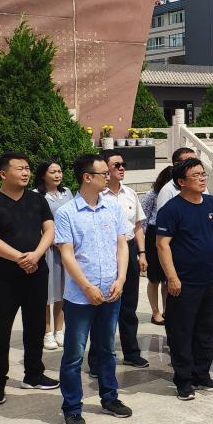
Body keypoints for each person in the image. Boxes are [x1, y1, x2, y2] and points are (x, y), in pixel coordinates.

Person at [54, 154, 134, 424]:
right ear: (87, 177)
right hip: (80, 297)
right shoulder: (66, 213)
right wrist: (86, 286)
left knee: (106, 350)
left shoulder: (112, 207)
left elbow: (122, 245)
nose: (109, 177)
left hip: (111, 291)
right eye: (103, 174)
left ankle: (109, 398)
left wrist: (121, 278)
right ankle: (72, 408)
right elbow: (66, 254)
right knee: (74, 355)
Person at [0, 152, 59, 405]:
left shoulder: (37, 200)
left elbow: (49, 230)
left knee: (35, 326)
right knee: (1, 331)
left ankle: (33, 374)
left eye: (27, 168)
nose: (25, 172)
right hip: (5, 278)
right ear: (3, 174)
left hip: (36, 273)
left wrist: (36, 255)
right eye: (19, 168)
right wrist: (21, 259)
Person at [155, 158, 213, 400]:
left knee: (205, 330)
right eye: (195, 175)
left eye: (202, 173)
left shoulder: (210, 202)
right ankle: (183, 379)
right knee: (181, 331)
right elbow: (162, 245)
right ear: (181, 181)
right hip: (183, 282)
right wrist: (172, 277)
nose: (202, 178)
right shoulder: (171, 210)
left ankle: (202, 374)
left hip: (209, 278)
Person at [90, 150, 148, 371]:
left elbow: (137, 226)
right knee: (103, 308)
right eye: (116, 165)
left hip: (129, 250)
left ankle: (131, 352)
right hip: (105, 252)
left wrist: (142, 253)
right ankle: (97, 360)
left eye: (123, 164)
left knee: (129, 306)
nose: (122, 168)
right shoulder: (97, 196)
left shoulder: (130, 193)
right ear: (105, 170)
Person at [34, 160, 73, 350]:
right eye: (53, 172)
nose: (58, 175)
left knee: (63, 291)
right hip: (48, 249)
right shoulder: (36, 195)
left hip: (66, 248)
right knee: (47, 292)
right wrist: (52, 242)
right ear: (43, 175)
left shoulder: (67, 193)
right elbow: (36, 224)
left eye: (59, 171)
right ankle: (47, 332)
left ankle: (59, 330)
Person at [141, 165, 174, 324]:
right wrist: (142, 248)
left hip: (171, 235)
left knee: (168, 277)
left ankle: (168, 310)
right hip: (153, 235)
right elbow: (143, 220)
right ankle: (155, 312)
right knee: (154, 278)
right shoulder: (152, 195)